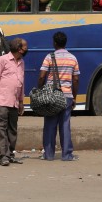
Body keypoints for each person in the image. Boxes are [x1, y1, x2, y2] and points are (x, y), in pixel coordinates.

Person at [38, 31, 80, 161]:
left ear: (54, 43)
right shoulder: (73, 58)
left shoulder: (49, 57)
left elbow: (42, 76)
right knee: (65, 125)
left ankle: (49, 154)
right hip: (67, 95)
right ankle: (67, 154)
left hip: (51, 96)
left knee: (50, 125)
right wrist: (74, 97)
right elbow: (76, 79)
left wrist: (40, 91)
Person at [0, 38, 26, 166]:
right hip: (2, 100)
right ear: (19, 49)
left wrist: (21, 101)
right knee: (1, 129)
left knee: (12, 130)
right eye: (25, 46)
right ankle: (3, 155)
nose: (27, 48)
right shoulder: (2, 60)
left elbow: (21, 83)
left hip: (14, 102)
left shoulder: (21, 62)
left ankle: (10, 154)